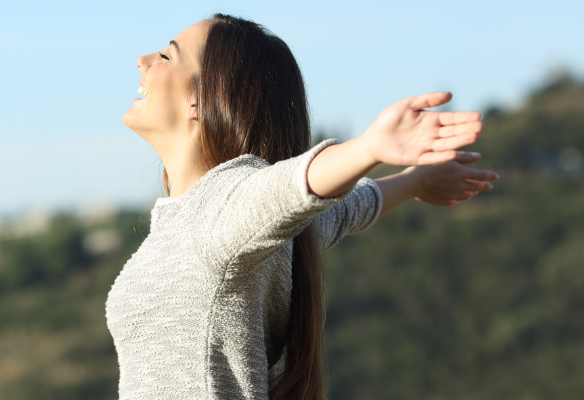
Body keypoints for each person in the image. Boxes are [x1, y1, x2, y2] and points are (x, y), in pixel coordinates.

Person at [105, 14, 499, 400]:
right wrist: (417, 181)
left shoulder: (222, 206)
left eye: (167, 56)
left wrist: (370, 147)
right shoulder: (212, 220)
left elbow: (290, 189)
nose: (144, 60)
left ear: (202, 99)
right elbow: (338, 211)